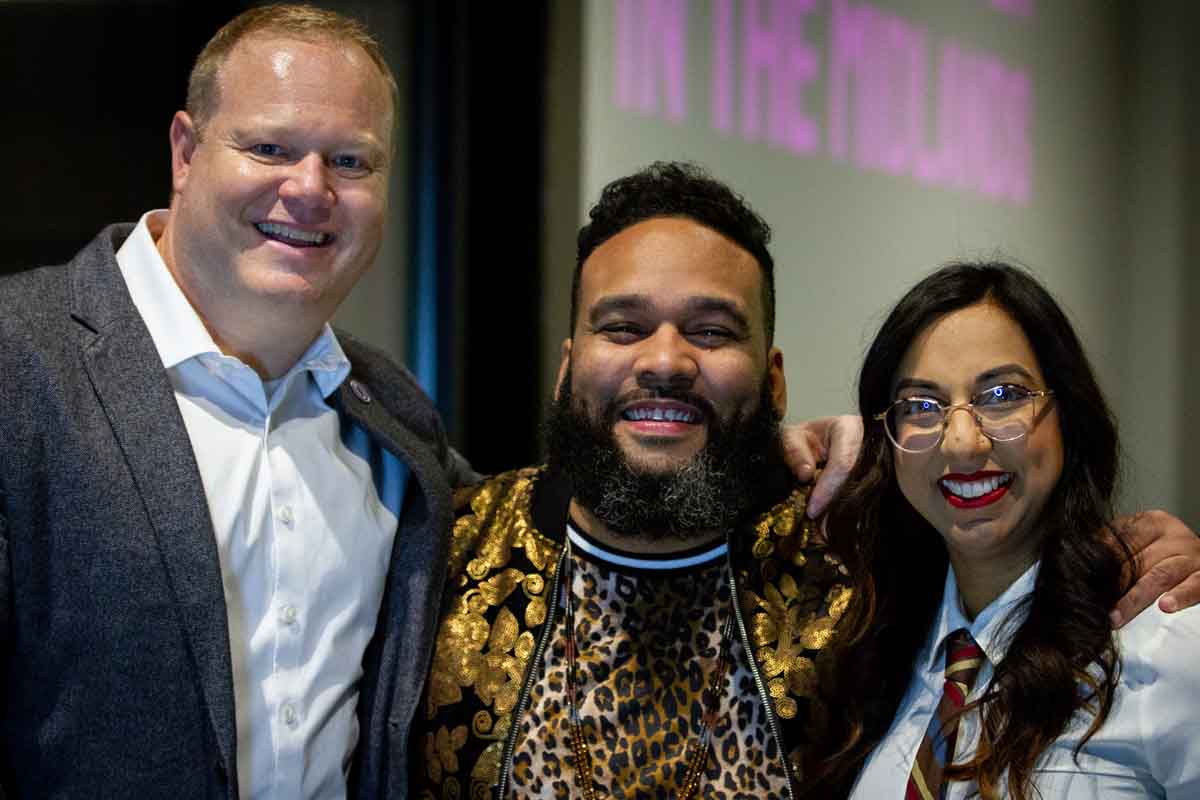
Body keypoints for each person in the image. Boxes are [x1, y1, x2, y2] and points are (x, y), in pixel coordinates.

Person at [0, 9, 862, 799]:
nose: (308, 188)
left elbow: (601, 493)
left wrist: (799, 446)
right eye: (268, 148)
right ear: (186, 151)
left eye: (350, 160)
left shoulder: (391, 420)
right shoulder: (18, 364)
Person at [409, 164, 1200, 800]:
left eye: (713, 331)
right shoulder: (431, 554)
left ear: (775, 381)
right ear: (565, 366)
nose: (663, 359)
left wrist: (1124, 554)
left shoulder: (853, 562)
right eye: (621, 326)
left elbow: (1009, 546)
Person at [808, 262, 1200, 798]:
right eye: (923, 406)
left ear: (1069, 415)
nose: (962, 444)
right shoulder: (870, 656)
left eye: (1002, 396)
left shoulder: (1166, 644)